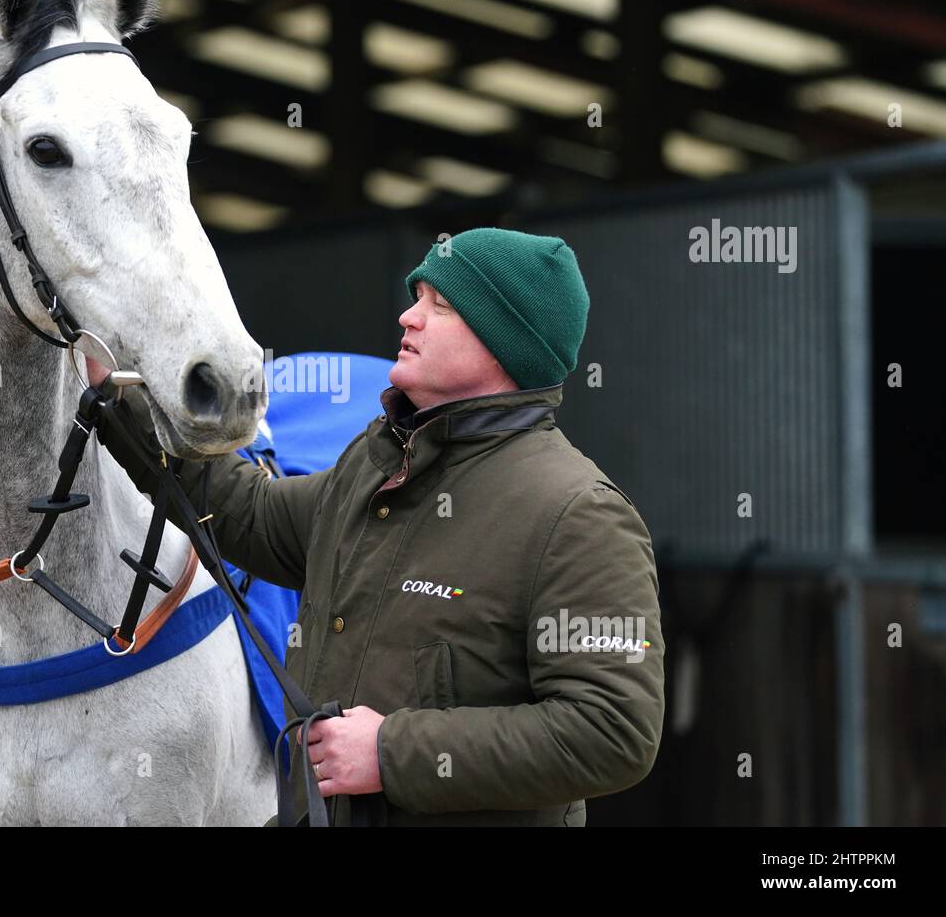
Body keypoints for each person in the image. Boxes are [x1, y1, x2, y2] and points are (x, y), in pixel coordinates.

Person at [90, 227, 665, 826]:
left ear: (504, 342)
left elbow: (612, 730)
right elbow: (253, 517)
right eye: (417, 297)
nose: (408, 317)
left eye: (439, 305)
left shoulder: (580, 515)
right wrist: (115, 395)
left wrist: (389, 753)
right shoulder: (376, 464)